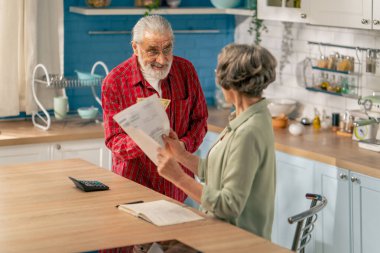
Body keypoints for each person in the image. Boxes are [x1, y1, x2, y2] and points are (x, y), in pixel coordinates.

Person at [156, 43, 277, 240]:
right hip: (220, 233)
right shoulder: (248, 118)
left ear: (228, 82)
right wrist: (181, 155)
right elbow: (216, 172)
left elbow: (228, 206)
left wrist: (178, 178)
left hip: (236, 242)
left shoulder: (249, 132)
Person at [102, 15, 208, 203]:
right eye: (152, 51)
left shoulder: (186, 71)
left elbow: (200, 121)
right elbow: (113, 140)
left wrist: (183, 146)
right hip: (133, 188)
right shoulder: (115, 81)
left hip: (181, 189)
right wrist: (144, 141)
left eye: (167, 49)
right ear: (135, 47)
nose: (162, 59)